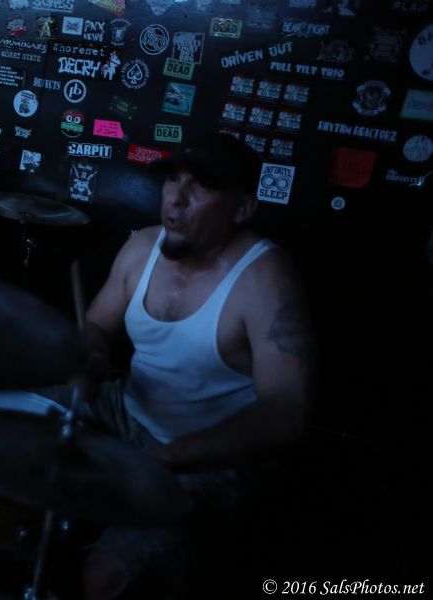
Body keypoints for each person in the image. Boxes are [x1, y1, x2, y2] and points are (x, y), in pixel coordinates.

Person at [73, 133, 315, 598]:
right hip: (126, 410)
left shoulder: (265, 280)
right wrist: (89, 356)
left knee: (103, 577)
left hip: (212, 457)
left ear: (242, 208)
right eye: (172, 180)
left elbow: (285, 415)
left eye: (199, 186)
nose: (175, 198)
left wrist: (164, 459)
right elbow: (97, 325)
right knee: (7, 416)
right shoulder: (142, 247)